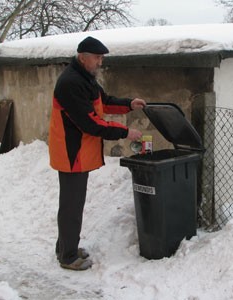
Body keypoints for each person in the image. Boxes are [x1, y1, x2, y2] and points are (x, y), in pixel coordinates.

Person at [48, 36, 146, 271]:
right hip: (72, 152)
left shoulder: (85, 78)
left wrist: (129, 104)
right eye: (97, 58)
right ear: (83, 57)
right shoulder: (71, 83)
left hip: (79, 150)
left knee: (72, 203)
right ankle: (68, 257)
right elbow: (90, 123)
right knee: (72, 205)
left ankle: (65, 247)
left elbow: (104, 102)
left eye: (102, 58)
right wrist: (125, 132)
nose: (100, 62)